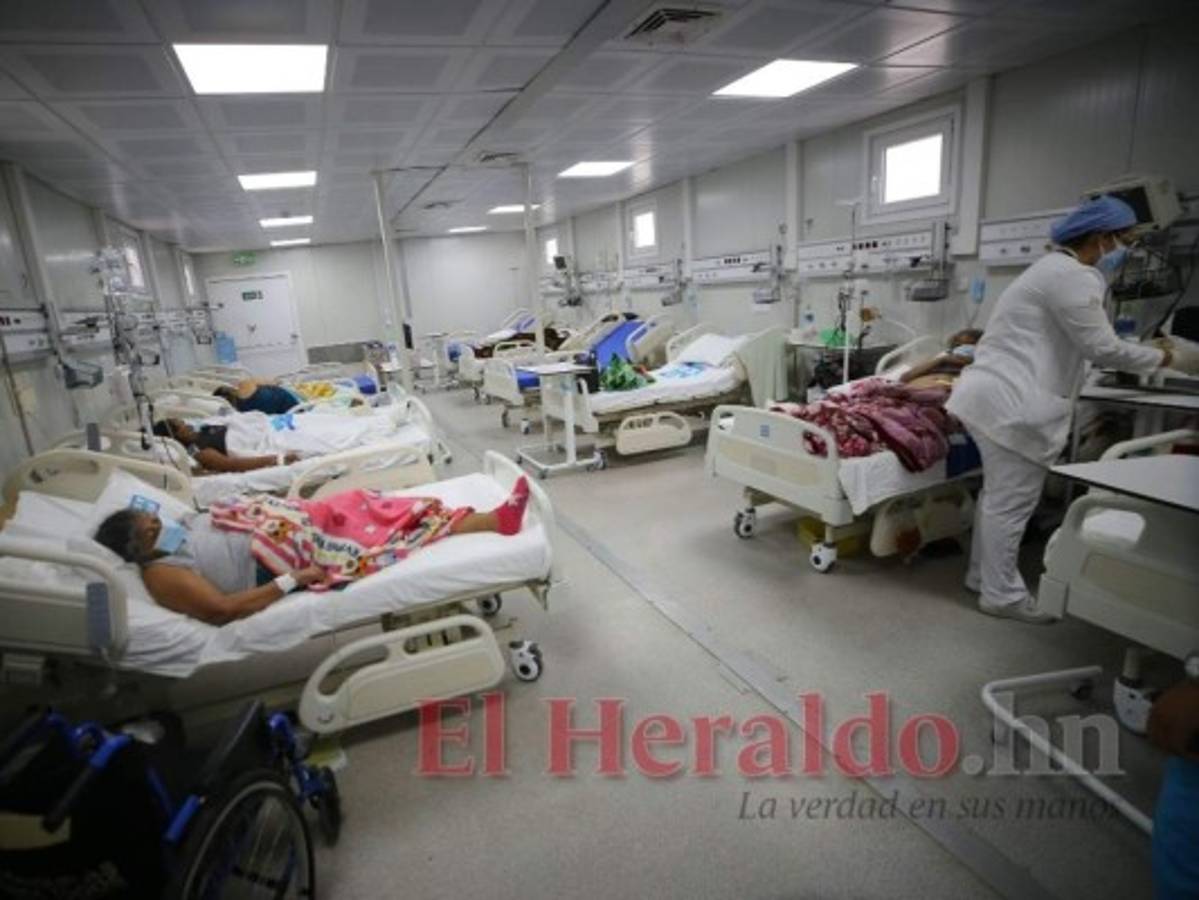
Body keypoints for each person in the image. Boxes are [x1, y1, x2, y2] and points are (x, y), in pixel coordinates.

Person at [946, 195, 1199, 623]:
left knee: (998, 500)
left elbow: (1080, 344)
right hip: (1012, 404)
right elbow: (1100, 346)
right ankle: (1002, 596)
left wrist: (1144, 353)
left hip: (991, 395)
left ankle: (983, 580)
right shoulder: (1075, 277)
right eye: (1126, 240)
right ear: (1103, 239)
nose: (1128, 250)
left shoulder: (1048, 269)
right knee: (1010, 504)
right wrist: (1167, 358)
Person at [93, 478, 532, 625]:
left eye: (156, 520)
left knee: (362, 502)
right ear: (138, 551)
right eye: (152, 531)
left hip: (282, 526)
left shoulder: (172, 535)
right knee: (375, 531)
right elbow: (223, 610)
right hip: (276, 561)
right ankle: (494, 521)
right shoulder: (162, 576)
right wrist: (291, 580)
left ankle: (468, 516)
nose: (162, 527)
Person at [153, 418, 300, 473]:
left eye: (183, 422)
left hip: (266, 429)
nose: (187, 424)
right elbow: (233, 464)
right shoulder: (199, 451)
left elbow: (234, 421)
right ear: (176, 436)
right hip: (261, 441)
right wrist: (277, 459)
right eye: (182, 426)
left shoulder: (202, 429)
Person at [899, 329, 983, 388]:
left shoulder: (978, 365)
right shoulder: (942, 358)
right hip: (912, 392)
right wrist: (942, 359)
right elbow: (904, 377)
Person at [212, 379, 302, 416]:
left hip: (287, 413)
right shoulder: (245, 384)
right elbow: (274, 382)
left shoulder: (242, 411)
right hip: (293, 406)